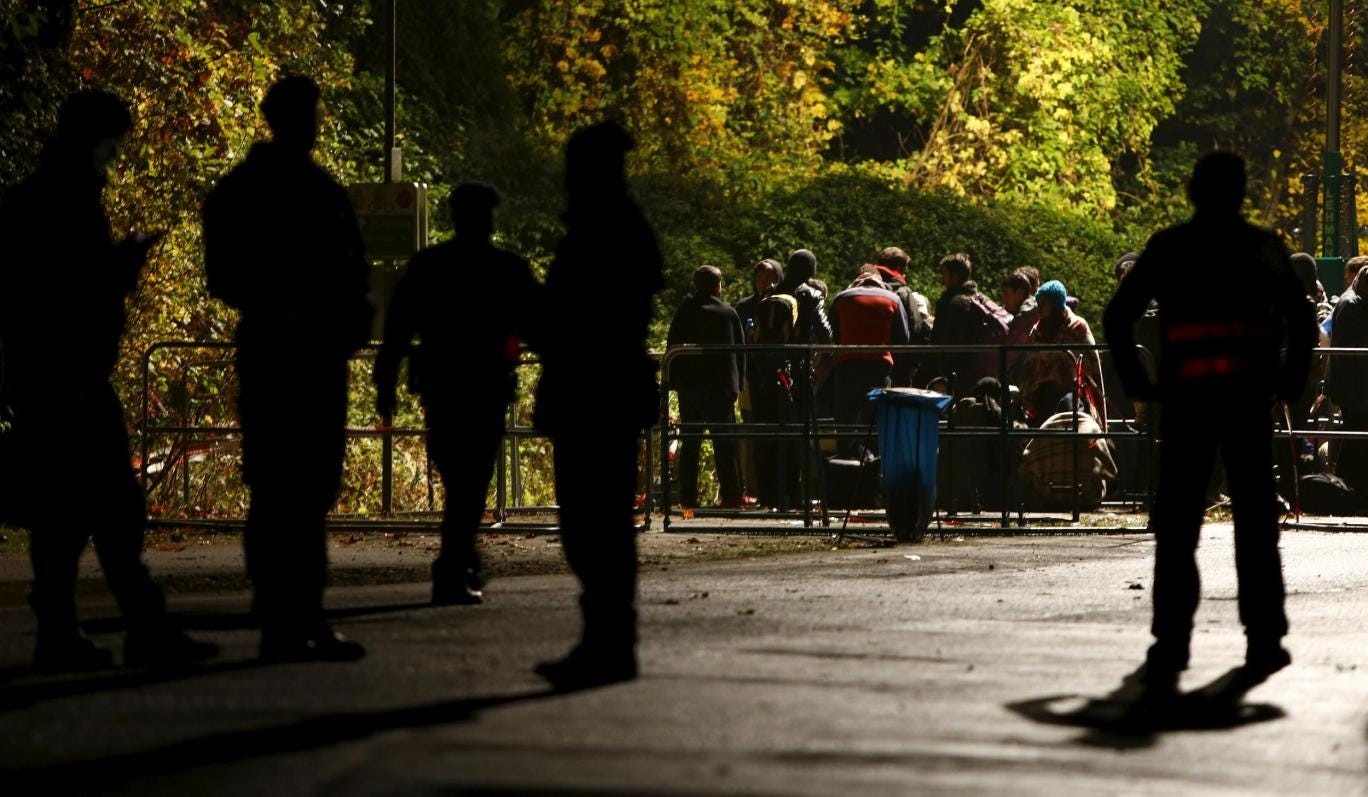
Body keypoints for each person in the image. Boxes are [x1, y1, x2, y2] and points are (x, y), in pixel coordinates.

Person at [0, 91, 215, 670]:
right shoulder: (66, 201)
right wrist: (124, 265)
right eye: (111, 145)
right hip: (73, 377)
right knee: (112, 508)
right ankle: (139, 626)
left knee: (63, 513)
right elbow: (75, 290)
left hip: (44, 376)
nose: (114, 157)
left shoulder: (31, 199)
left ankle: (66, 630)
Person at [1104, 152, 1316, 702]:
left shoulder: (1169, 247)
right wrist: (1289, 382)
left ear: (1192, 190)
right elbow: (1303, 319)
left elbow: (1117, 315)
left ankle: (1171, 643)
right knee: (1254, 522)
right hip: (1247, 402)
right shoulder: (1264, 248)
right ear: (1241, 192)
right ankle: (1264, 639)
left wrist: (1139, 382)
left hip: (1186, 402)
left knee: (1177, 528)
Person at [203, 76, 373, 662]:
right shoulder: (316, 191)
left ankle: (288, 611)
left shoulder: (243, 189)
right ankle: (295, 614)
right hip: (300, 350)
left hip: (287, 348)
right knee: (294, 486)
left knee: (288, 483)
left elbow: (223, 271)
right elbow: (351, 268)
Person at [525, 121, 662, 690]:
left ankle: (606, 640)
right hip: (610, 388)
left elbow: (569, 314)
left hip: (590, 388)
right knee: (600, 519)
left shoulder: (595, 232)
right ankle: (610, 639)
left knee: (590, 519)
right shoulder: (624, 227)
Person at [373, 182, 536, 605]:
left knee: (457, 475)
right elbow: (541, 325)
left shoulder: (429, 265)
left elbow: (398, 328)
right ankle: (455, 561)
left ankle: (457, 559)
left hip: (442, 386)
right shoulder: (507, 269)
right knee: (471, 478)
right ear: (488, 218)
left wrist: (386, 382)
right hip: (486, 388)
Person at [665, 265, 745, 509]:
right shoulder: (728, 313)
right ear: (717, 285)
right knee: (725, 444)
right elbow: (740, 352)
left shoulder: (685, 311)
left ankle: (687, 500)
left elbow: (672, 348)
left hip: (690, 389)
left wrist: (673, 383)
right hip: (720, 389)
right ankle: (731, 497)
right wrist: (738, 384)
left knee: (691, 445)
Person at [829, 267, 911, 452]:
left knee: (846, 422)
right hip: (879, 368)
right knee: (876, 423)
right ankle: (875, 470)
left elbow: (830, 334)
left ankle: (846, 464)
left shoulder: (841, 298)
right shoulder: (893, 299)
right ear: (879, 280)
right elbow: (903, 338)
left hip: (847, 368)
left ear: (858, 279)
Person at [1018, 280, 1105, 426]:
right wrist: (1026, 397)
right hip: (1042, 399)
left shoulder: (1077, 328)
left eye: (1043, 304)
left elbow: (1093, 369)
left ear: (1055, 304)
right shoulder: (1037, 332)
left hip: (1074, 398)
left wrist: (1099, 410)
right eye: (1038, 303)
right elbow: (1030, 368)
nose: (1038, 309)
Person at [927, 252, 1008, 392]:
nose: (942, 278)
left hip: (954, 370)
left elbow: (939, 339)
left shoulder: (950, 302)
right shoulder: (980, 299)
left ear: (955, 277)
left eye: (944, 274)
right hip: (978, 367)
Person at [1328, 265, 1368, 498]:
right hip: (1355, 386)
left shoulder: (1353, 301)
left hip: (1354, 385)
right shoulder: (1353, 306)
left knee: (1356, 437)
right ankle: (1346, 491)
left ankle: (1348, 490)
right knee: (1356, 438)